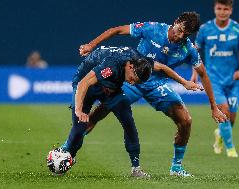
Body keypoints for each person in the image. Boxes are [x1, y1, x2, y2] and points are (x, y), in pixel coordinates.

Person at [79, 12, 227, 176]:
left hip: (158, 85)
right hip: (133, 80)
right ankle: (67, 148)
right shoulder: (153, 28)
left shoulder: (188, 49)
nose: (181, 36)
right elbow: (117, 30)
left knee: (186, 120)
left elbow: (204, 74)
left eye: (186, 34)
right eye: (180, 30)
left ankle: (176, 168)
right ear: (176, 21)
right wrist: (91, 45)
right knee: (99, 113)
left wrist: (214, 107)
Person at [61, 46, 202, 178]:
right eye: (133, 79)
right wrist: (79, 110)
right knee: (80, 127)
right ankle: (66, 154)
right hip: (86, 85)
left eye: (137, 82)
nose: (133, 83)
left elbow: (162, 67)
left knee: (128, 120)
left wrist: (184, 83)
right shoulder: (111, 65)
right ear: (130, 66)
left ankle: (136, 169)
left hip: (111, 87)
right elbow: (84, 83)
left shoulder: (141, 61)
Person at [193, 0, 239, 157]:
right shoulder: (205, 29)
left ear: (231, 10)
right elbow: (194, 52)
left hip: (233, 81)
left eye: (226, 9)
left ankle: (220, 135)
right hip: (213, 80)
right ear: (214, 9)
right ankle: (231, 149)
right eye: (219, 8)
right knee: (223, 110)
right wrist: (195, 72)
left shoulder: (238, 29)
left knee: (231, 118)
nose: (222, 12)